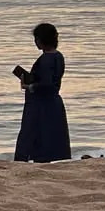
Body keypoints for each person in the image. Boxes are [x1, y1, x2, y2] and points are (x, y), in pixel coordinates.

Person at [13, 22, 70, 162]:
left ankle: (29, 159)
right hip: (53, 102)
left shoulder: (45, 59)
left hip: (40, 104)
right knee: (50, 136)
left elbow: (46, 84)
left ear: (39, 40)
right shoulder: (59, 56)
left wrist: (29, 86)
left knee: (32, 134)